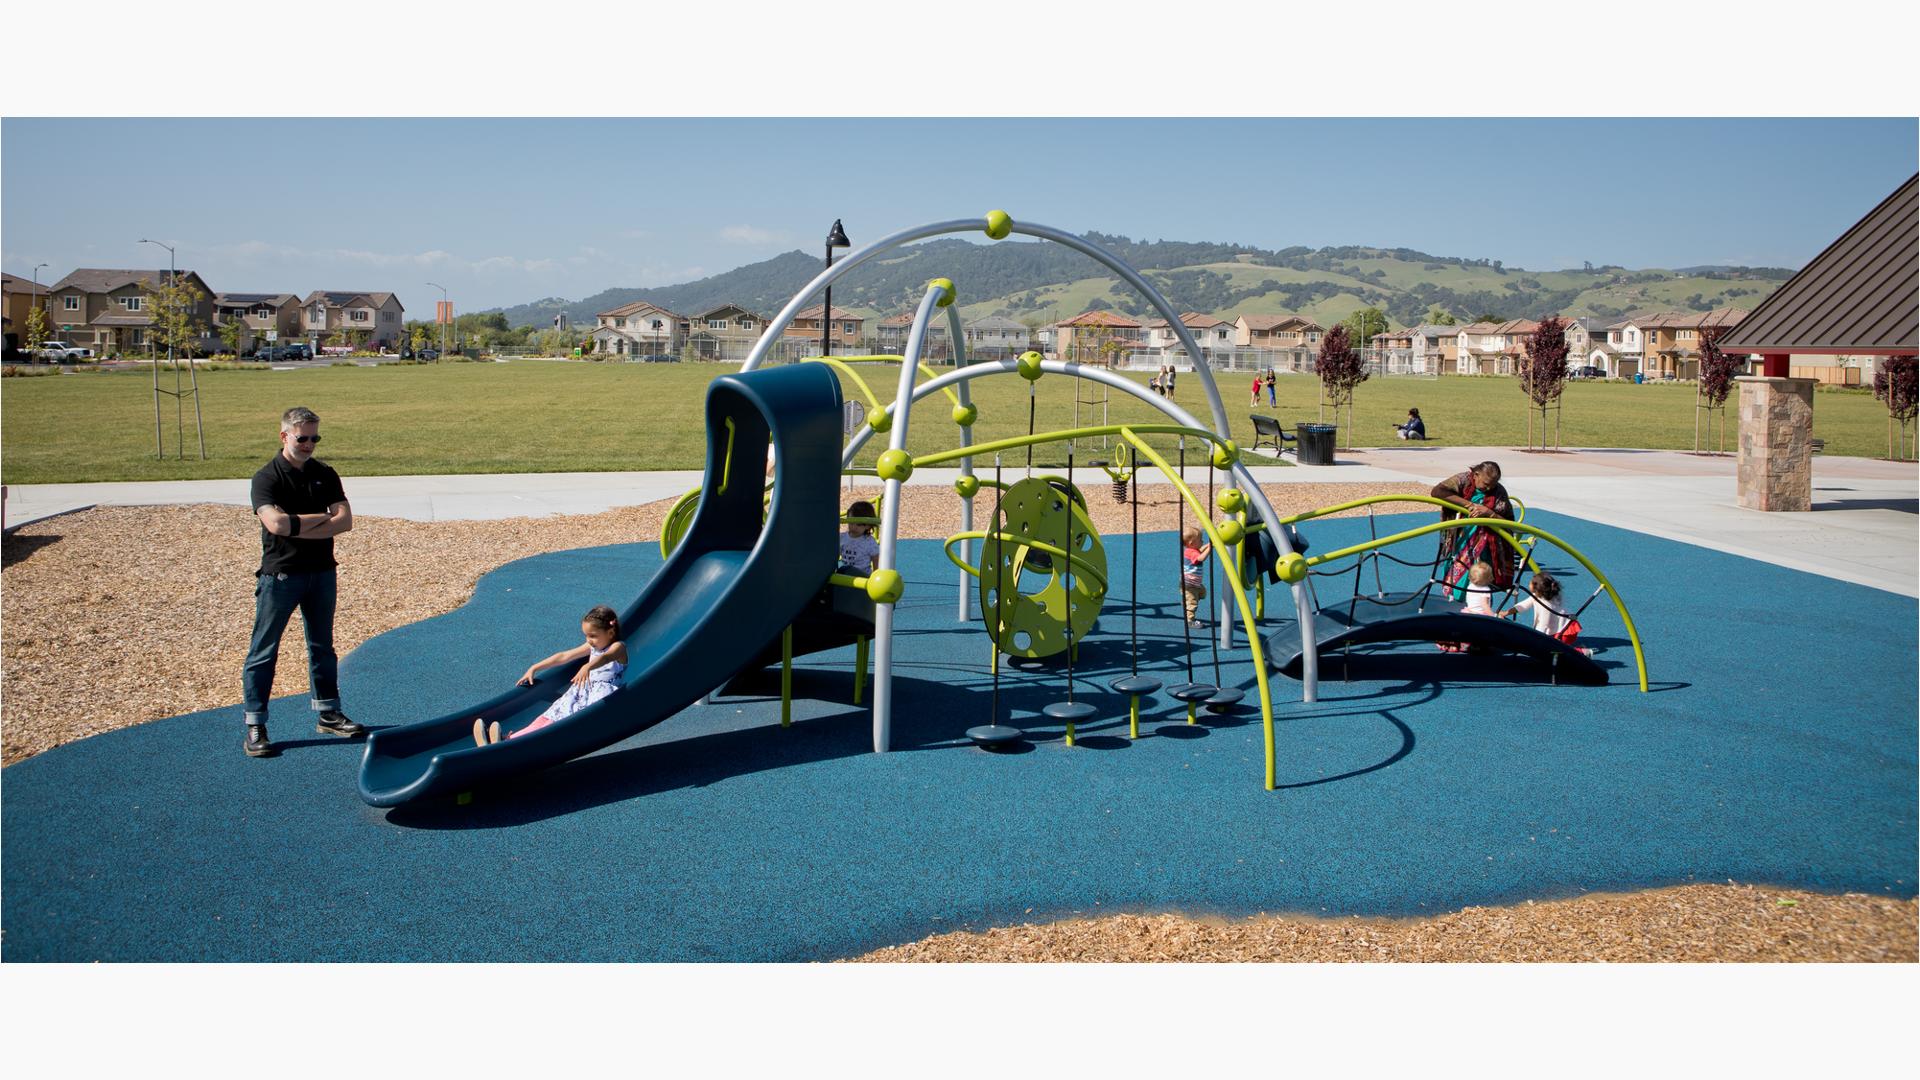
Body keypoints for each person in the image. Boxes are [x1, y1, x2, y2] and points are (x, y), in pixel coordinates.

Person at [242, 406, 363, 758]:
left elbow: (345, 521)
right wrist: (321, 519)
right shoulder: (267, 478)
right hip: (281, 575)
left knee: (322, 646)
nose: (309, 444)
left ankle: (328, 713)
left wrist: (297, 523)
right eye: (303, 438)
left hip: (322, 572)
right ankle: (255, 724)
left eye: (315, 437)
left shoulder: (325, 473)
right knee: (264, 651)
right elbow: (275, 526)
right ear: (284, 436)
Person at [474, 605, 628, 746]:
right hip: (580, 692)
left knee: (557, 723)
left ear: (610, 632)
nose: (589, 640)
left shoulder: (618, 647)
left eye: (593, 636)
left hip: (600, 697)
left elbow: (607, 657)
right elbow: (564, 656)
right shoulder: (592, 646)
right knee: (548, 716)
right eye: (586, 636)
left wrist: (588, 666)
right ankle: (507, 740)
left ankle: (508, 743)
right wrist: (535, 667)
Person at [1430, 461, 1514, 604]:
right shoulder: (1463, 480)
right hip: (1460, 538)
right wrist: (1470, 505)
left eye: (1493, 484)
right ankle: (1455, 604)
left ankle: (1480, 609)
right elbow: (1437, 492)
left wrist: (1489, 513)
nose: (1489, 488)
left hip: (1486, 544)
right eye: (1486, 483)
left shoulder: (1499, 492)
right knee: (1456, 573)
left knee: (1480, 578)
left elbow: (1509, 523)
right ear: (1476, 475)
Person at [1501, 571, 1593, 656]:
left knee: (1556, 650)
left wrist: (1536, 640)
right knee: (1551, 648)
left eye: (1531, 582)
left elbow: (1544, 624)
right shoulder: (1538, 595)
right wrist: (1506, 612)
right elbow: (1523, 605)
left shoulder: (1547, 604)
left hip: (1563, 631)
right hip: (1556, 628)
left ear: (1537, 587)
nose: (1529, 583)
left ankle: (1581, 652)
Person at [1180, 525, 1211, 627]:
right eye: (1200, 540)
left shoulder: (1193, 550)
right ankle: (1190, 620)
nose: (1202, 541)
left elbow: (1200, 550)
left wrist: (1208, 545)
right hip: (1189, 584)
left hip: (1195, 583)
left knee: (1203, 594)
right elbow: (1201, 558)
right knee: (1193, 602)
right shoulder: (1190, 552)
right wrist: (1210, 548)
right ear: (1191, 543)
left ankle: (1186, 601)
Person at [838, 499, 880, 575]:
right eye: (851, 523)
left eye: (859, 524)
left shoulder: (869, 542)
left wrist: (875, 576)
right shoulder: (842, 538)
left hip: (862, 577)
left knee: (847, 570)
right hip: (846, 575)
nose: (854, 527)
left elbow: (876, 559)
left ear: (868, 526)